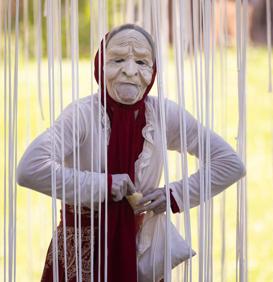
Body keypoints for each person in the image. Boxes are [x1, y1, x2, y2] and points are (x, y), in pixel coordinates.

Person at [16, 24, 246, 282]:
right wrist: (104, 184)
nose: (129, 70)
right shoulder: (81, 115)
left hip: (139, 251)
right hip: (79, 258)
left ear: (153, 70)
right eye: (117, 59)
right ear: (100, 64)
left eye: (141, 61)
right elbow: (29, 169)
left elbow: (230, 163)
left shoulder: (162, 115)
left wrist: (175, 194)